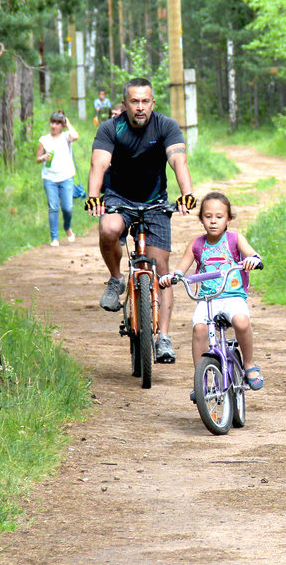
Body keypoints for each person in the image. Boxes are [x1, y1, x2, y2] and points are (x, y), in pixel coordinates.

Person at [85, 77, 195, 364]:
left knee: (161, 271)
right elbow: (100, 162)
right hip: (119, 198)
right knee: (109, 228)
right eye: (134, 101)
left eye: (145, 101)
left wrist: (187, 193)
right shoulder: (111, 128)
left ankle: (164, 338)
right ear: (125, 104)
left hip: (155, 201)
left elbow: (178, 160)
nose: (140, 106)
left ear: (153, 103)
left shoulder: (166, 126)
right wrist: (94, 195)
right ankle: (116, 279)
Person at [160, 192, 265, 390]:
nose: (213, 222)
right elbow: (180, 270)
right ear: (201, 219)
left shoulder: (235, 239)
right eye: (208, 217)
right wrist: (171, 277)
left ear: (228, 219)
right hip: (208, 300)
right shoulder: (196, 244)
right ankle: (201, 381)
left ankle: (249, 364)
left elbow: (252, 254)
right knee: (199, 329)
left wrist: (253, 260)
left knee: (242, 322)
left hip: (233, 297)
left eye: (219, 217)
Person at [36, 111, 80, 247]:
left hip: (66, 177)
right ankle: (54, 237)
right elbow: (38, 158)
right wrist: (43, 157)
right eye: (52, 123)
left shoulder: (66, 137)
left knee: (67, 208)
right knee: (53, 207)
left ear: (62, 125)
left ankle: (67, 227)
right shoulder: (44, 140)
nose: (54, 126)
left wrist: (68, 123)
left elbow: (76, 136)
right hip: (49, 178)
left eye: (57, 123)